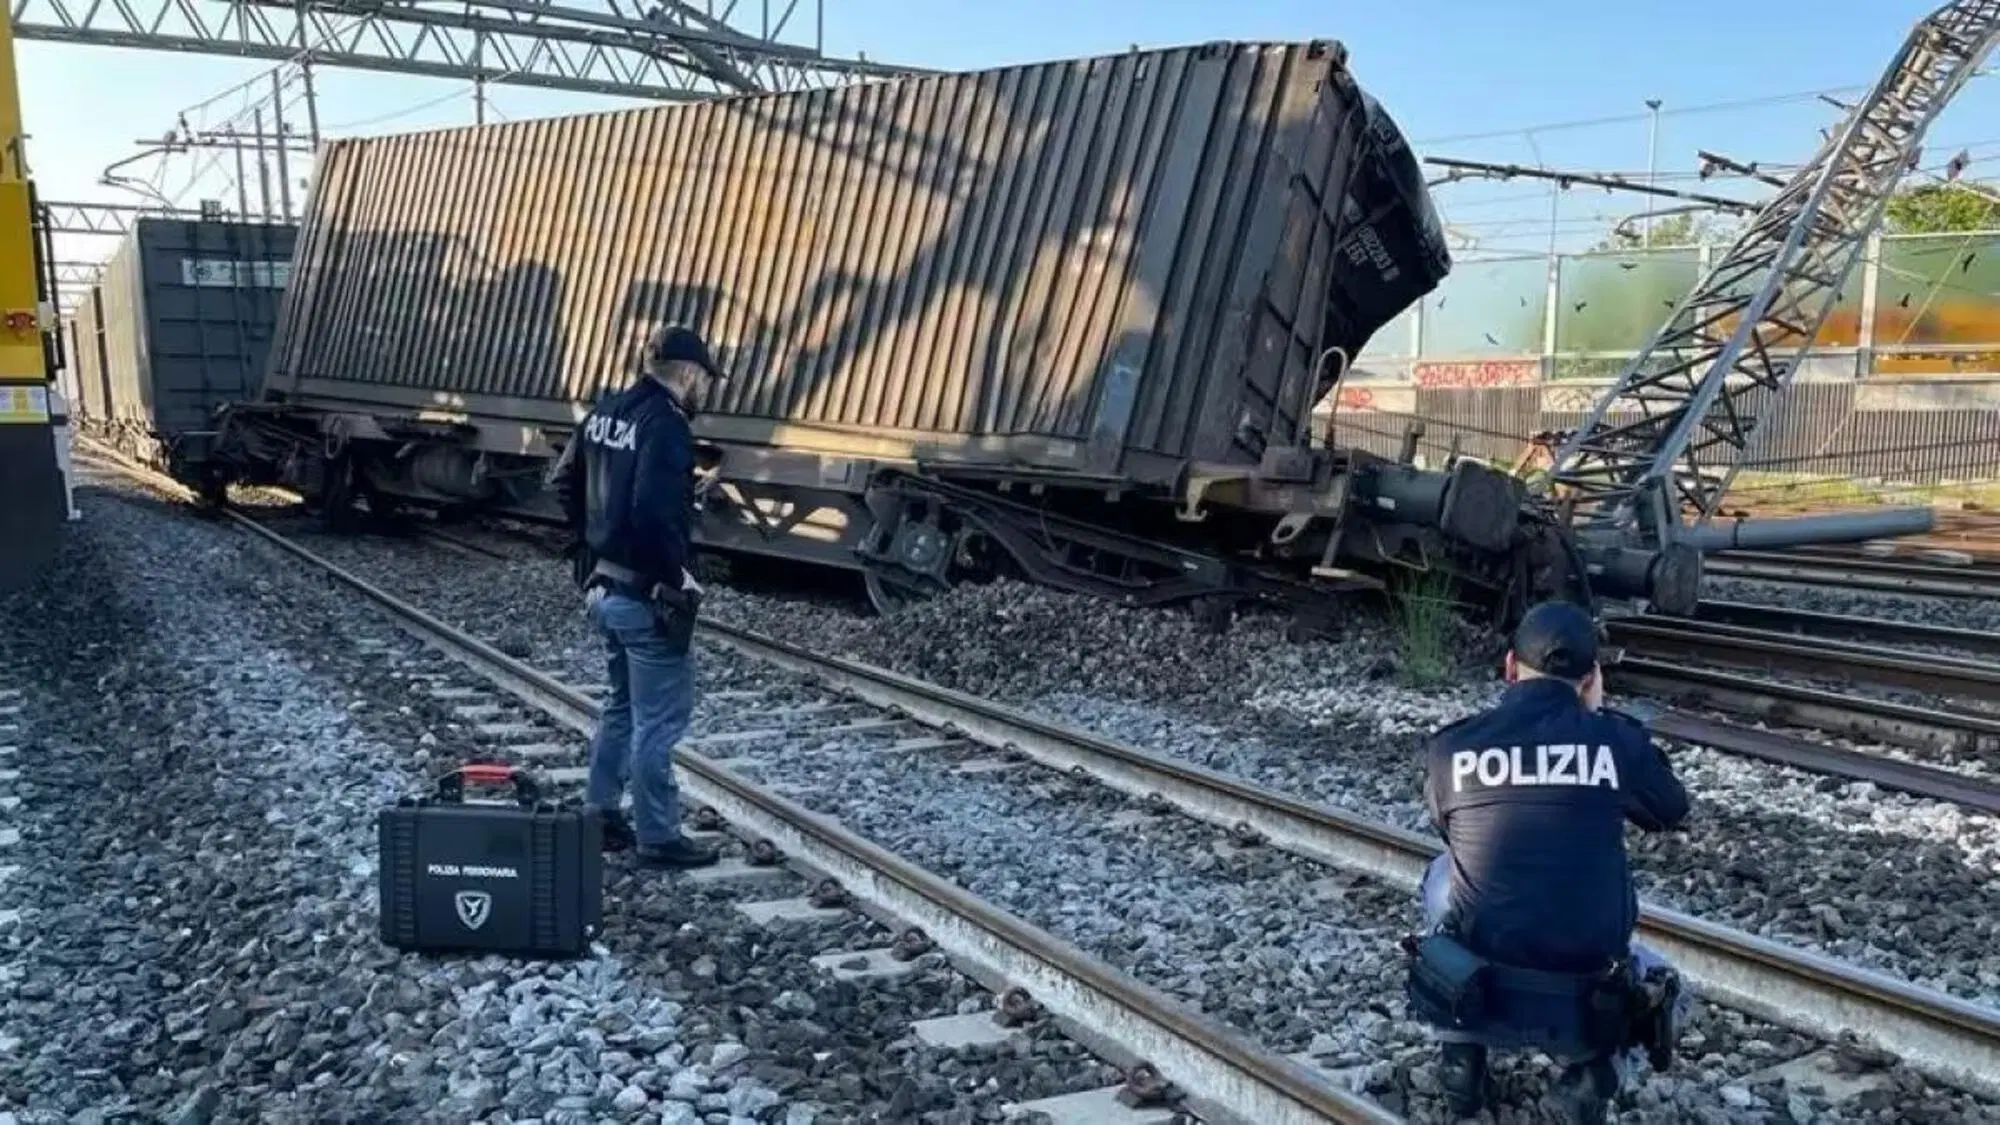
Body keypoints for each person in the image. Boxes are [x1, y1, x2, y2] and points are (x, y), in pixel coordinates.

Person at [1412, 599, 1692, 1123]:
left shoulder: (1452, 747)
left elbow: (1446, 825)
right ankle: (1592, 1077)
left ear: (1510, 668)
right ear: (1591, 679)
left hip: (1481, 976)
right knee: (1673, 985)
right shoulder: (1616, 740)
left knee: (1443, 872)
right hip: (1585, 990)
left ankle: (1461, 1052)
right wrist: (1598, 718)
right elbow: (1672, 809)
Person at [548, 324, 726, 870]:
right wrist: (675, 574)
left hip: (601, 587)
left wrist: (589, 551)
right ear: (690, 374)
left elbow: (563, 483)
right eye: (705, 382)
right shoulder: (667, 426)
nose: (704, 394)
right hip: (644, 594)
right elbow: (650, 511)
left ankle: (599, 812)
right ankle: (659, 835)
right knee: (660, 719)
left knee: (621, 705)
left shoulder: (606, 410)